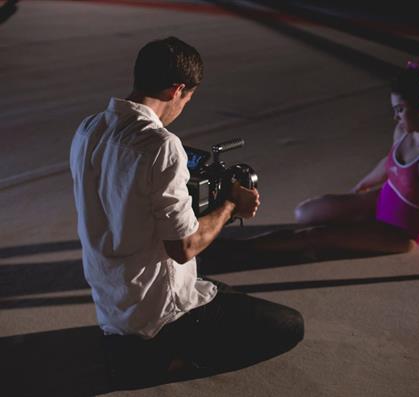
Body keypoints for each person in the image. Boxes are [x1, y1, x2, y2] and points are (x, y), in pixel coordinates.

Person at [69, 37, 303, 385]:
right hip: (159, 314)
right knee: (290, 325)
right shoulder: (162, 146)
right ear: (177, 89)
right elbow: (184, 248)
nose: (184, 106)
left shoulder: (89, 129)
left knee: (223, 291)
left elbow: (123, 199)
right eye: (188, 98)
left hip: (113, 302)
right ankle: (162, 359)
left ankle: (134, 348)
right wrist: (230, 205)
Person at [241, 56, 419, 278]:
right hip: (379, 201)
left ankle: (239, 248)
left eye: (400, 110)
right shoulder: (404, 130)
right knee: (304, 213)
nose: (396, 117)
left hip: (399, 232)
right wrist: (366, 183)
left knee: (315, 236)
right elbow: (389, 161)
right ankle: (353, 224)